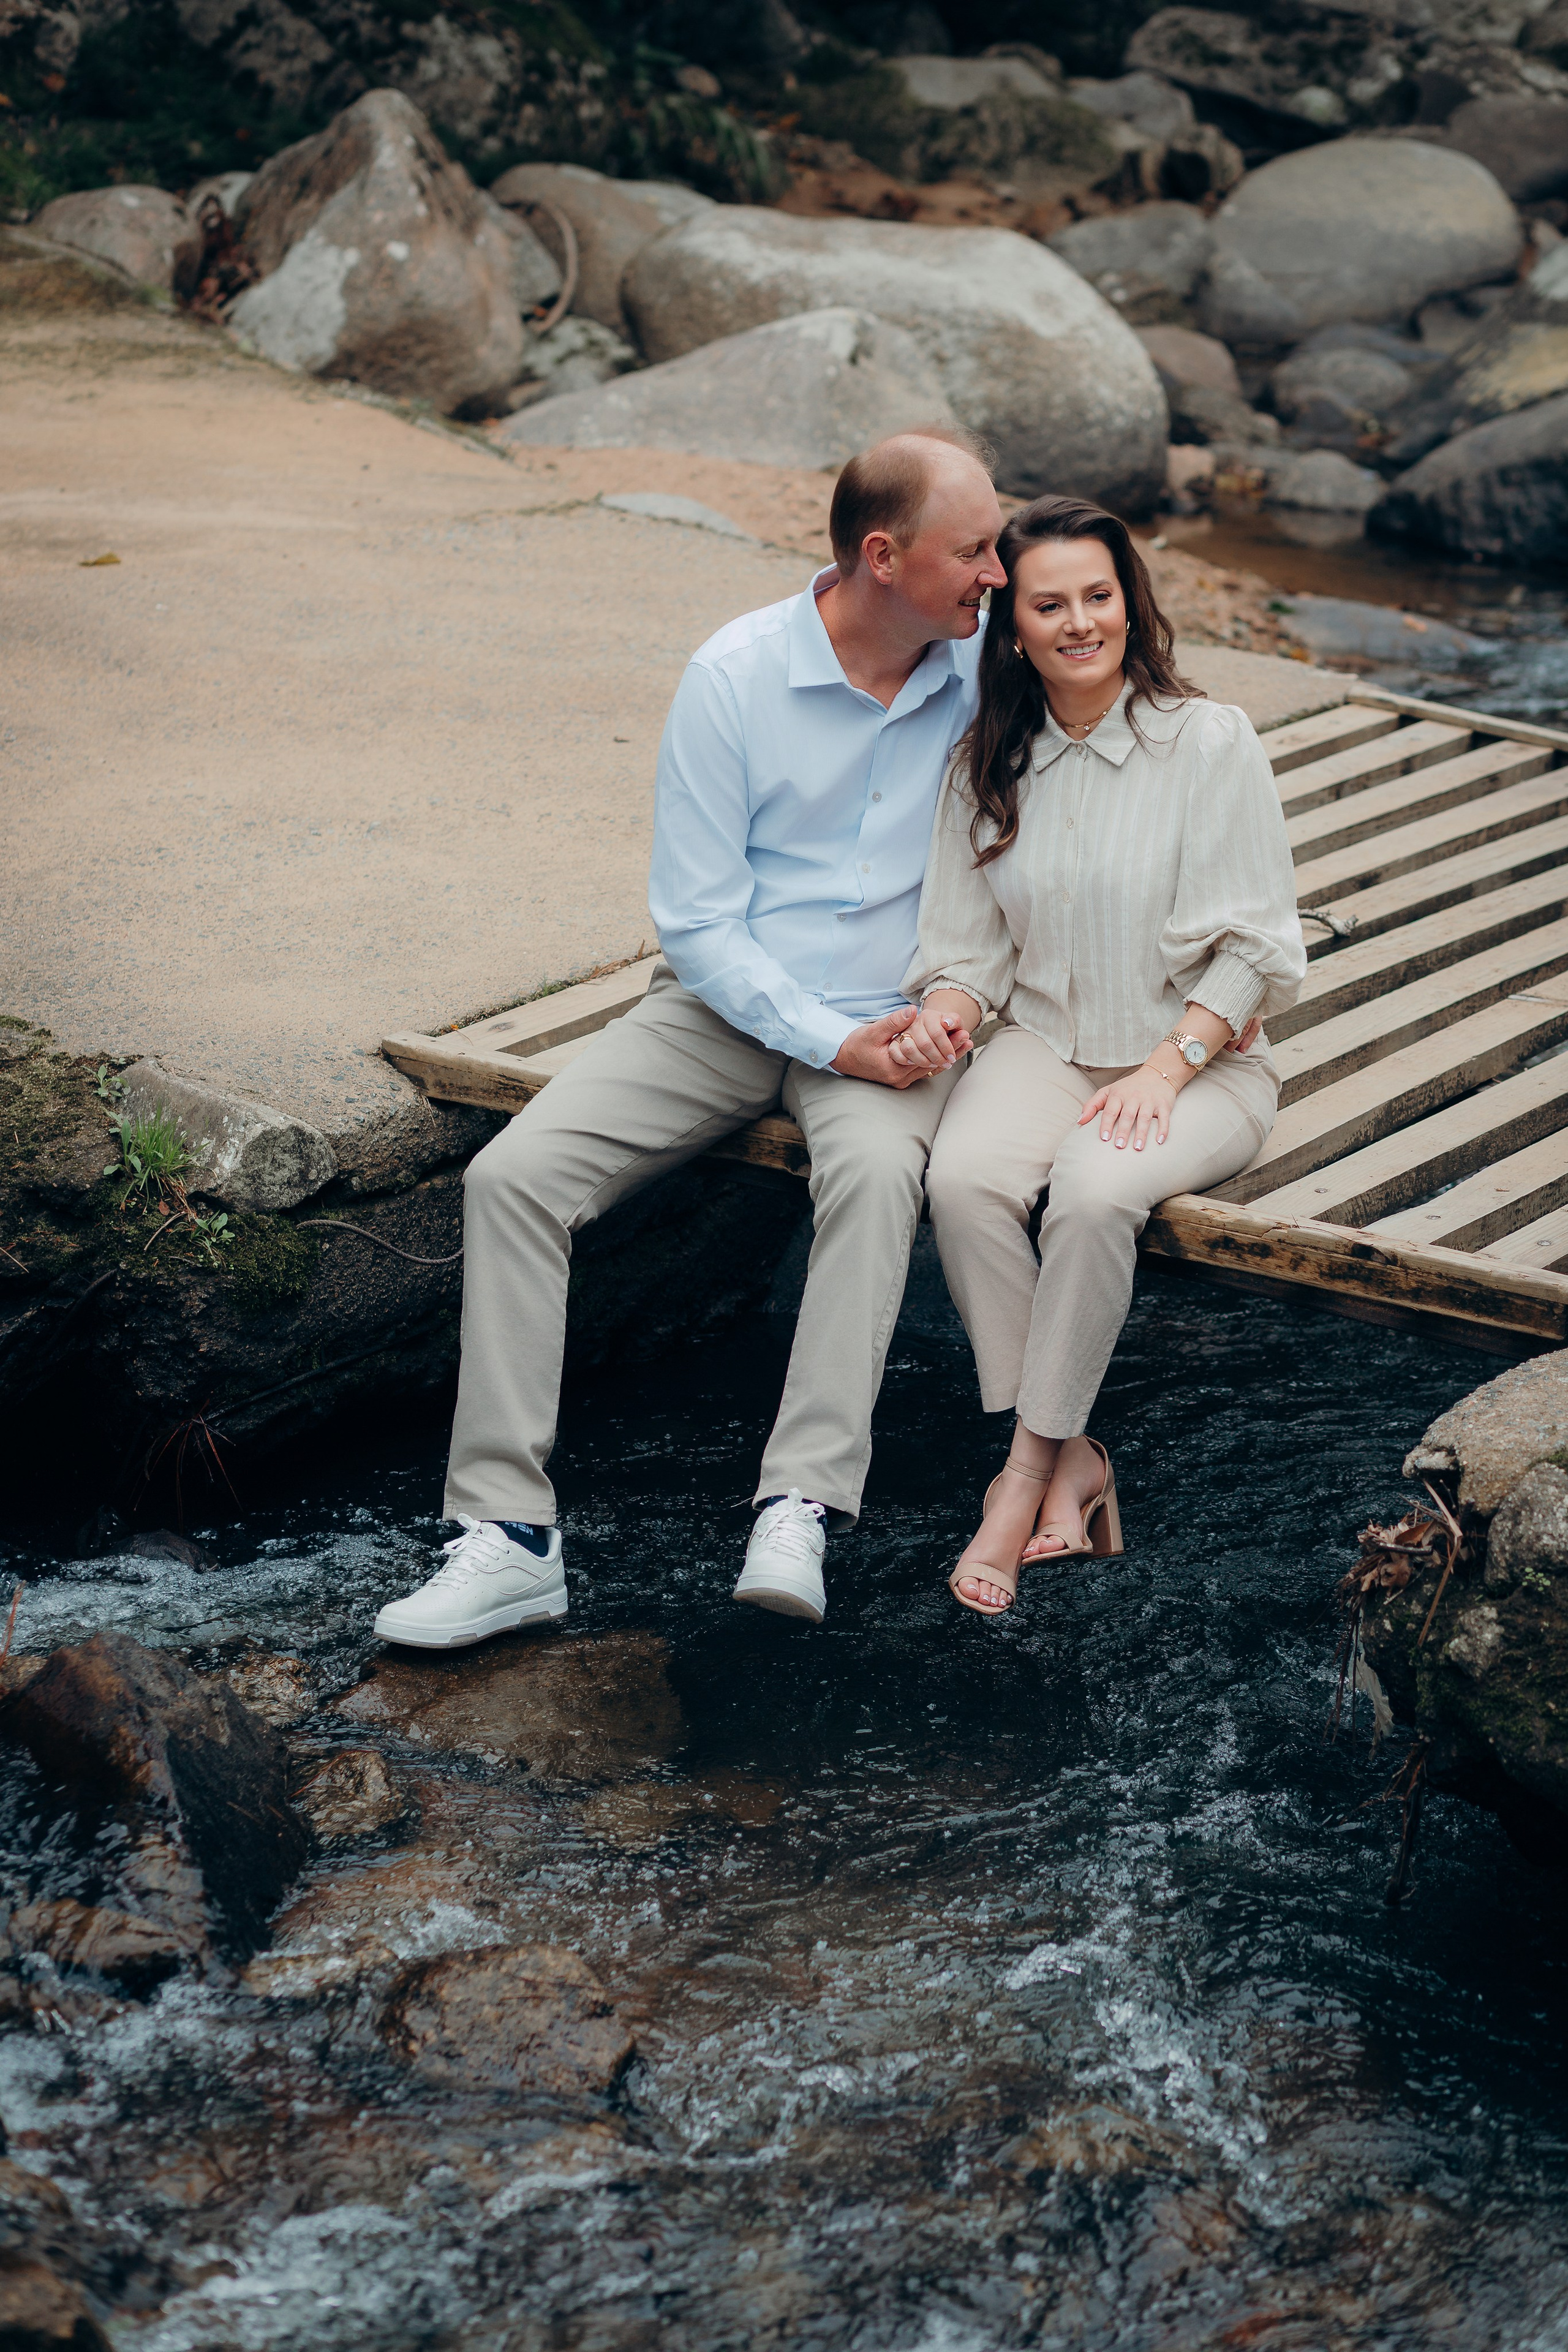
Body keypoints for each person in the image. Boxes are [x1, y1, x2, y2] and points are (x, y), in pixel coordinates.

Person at [372, 425, 1006, 1648]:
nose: (993, 572)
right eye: (971, 550)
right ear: (883, 558)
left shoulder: (982, 673)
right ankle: (505, 1539)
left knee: (875, 1173)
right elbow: (702, 925)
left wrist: (938, 1014)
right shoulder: (734, 678)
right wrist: (828, 1042)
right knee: (511, 1177)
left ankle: (798, 1505)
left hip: (898, 1016)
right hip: (726, 1007)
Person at [895, 494, 1305, 1617]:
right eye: (1050, 604)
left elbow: (1262, 949)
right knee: (966, 1182)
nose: (1081, 622)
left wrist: (1166, 1069)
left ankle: (1023, 1476)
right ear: (1011, 626)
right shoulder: (989, 757)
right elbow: (967, 956)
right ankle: (1077, 1456)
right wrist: (944, 1012)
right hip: (1042, 1044)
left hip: (1202, 1060)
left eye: (1099, 596)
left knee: (1089, 1194)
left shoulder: (1207, 743)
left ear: (1129, 602)